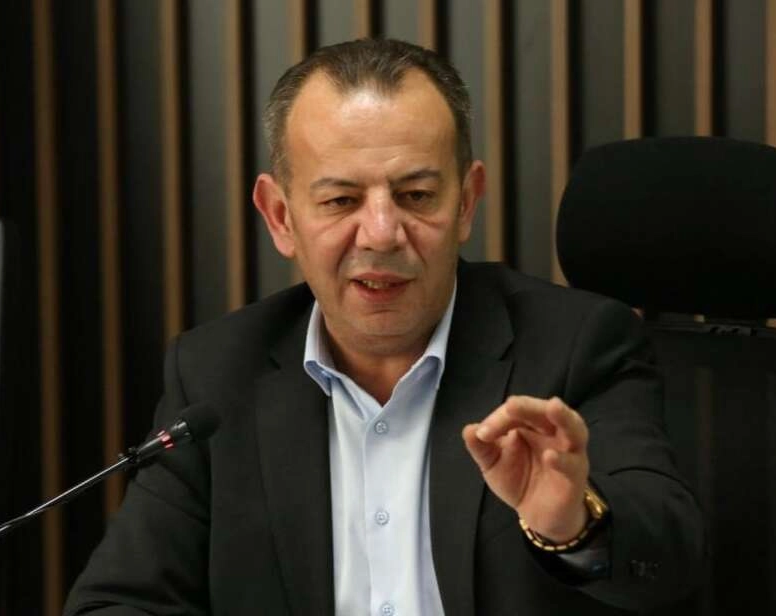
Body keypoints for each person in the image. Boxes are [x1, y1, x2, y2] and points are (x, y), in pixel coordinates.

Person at [64, 38, 704, 615]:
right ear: (281, 216)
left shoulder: (575, 346)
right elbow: (119, 601)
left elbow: (669, 568)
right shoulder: (215, 374)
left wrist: (573, 525)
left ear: (466, 202)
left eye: (416, 196)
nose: (380, 233)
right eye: (341, 200)